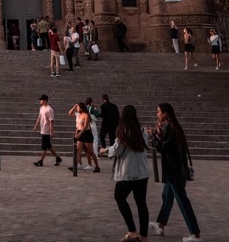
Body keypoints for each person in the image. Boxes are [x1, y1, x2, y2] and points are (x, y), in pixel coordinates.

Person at [148, 103, 203, 242]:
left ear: (165, 113)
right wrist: (159, 134)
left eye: (158, 111)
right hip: (177, 170)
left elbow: (162, 148)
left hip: (174, 172)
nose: (157, 114)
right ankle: (160, 225)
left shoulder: (170, 128)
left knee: (183, 201)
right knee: (167, 196)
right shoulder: (175, 128)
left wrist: (154, 136)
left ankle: (195, 234)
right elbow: (169, 146)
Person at [101, 105, 150, 242]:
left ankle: (132, 230)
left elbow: (117, 149)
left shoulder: (123, 131)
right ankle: (144, 236)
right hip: (142, 172)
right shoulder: (142, 130)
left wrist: (105, 150)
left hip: (128, 172)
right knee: (141, 203)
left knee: (119, 197)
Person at [68, 101, 100, 172]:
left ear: (81, 108)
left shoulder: (86, 115)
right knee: (77, 150)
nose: (77, 108)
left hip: (86, 133)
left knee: (90, 151)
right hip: (79, 132)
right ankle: (75, 165)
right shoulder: (78, 114)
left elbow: (85, 126)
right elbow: (70, 114)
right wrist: (74, 106)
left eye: (78, 107)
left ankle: (97, 166)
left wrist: (79, 134)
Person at [32, 94, 62, 167]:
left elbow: (51, 121)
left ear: (45, 100)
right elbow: (39, 118)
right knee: (49, 146)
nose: (40, 101)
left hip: (46, 130)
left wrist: (51, 131)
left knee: (44, 147)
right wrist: (35, 126)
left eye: (41, 100)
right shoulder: (41, 108)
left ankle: (41, 161)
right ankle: (58, 158)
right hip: (42, 129)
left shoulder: (49, 109)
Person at [86, 96, 101, 161]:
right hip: (92, 124)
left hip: (87, 124)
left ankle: (89, 154)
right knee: (95, 139)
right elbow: (97, 115)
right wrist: (95, 109)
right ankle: (95, 155)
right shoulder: (91, 108)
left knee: (88, 140)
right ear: (91, 102)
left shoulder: (85, 108)